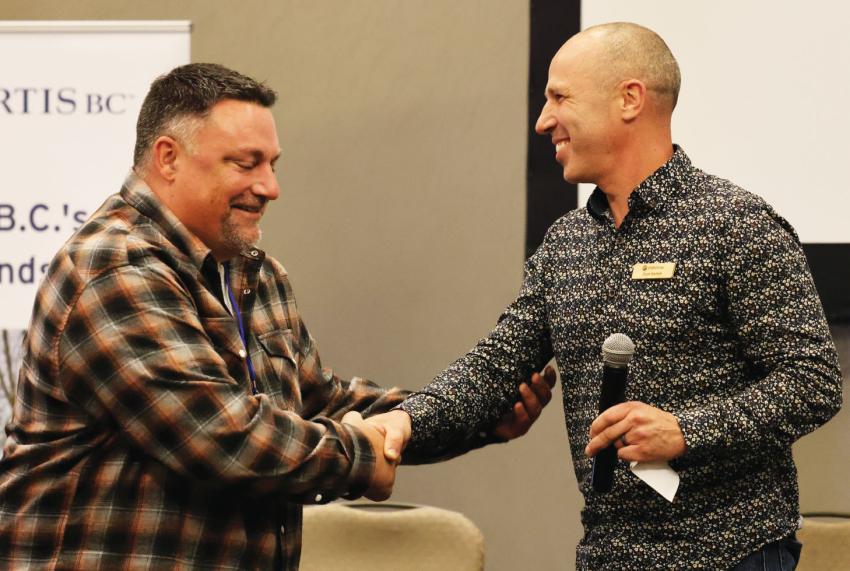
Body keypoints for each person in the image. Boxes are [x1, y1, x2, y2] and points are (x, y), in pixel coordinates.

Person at [0, 63, 554, 570]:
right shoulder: (112, 266)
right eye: (246, 164)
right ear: (168, 158)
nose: (270, 187)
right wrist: (362, 457)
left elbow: (319, 402)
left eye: (272, 164)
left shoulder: (253, 274)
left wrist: (464, 417)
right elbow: (221, 436)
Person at [368, 22, 843, 570]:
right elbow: (494, 367)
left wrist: (686, 431)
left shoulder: (735, 225)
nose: (543, 121)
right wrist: (405, 420)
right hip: (607, 555)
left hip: (731, 554)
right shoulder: (565, 242)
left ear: (629, 99)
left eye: (559, 97)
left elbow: (812, 381)